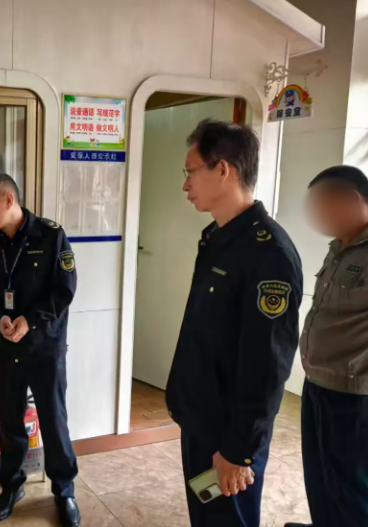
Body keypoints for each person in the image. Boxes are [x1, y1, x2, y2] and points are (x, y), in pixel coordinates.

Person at [166, 119, 303, 527]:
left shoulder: (269, 253)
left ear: (223, 169)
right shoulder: (217, 238)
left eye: (191, 172)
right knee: (206, 515)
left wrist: (240, 450)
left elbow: (267, 364)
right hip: (201, 416)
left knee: (227, 519)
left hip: (229, 431)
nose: (186, 185)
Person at [0, 173, 81, 527]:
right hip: (7, 348)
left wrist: (29, 321)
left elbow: (64, 290)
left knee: (53, 421)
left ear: (8, 200)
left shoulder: (50, 236)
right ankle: (12, 486)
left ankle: (64, 491)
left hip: (44, 348)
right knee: (9, 422)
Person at [284, 166, 368, 527]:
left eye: (322, 205)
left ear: (352, 199)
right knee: (319, 475)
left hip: (354, 393)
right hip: (318, 382)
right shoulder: (339, 248)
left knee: (350, 485)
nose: (316, 215)